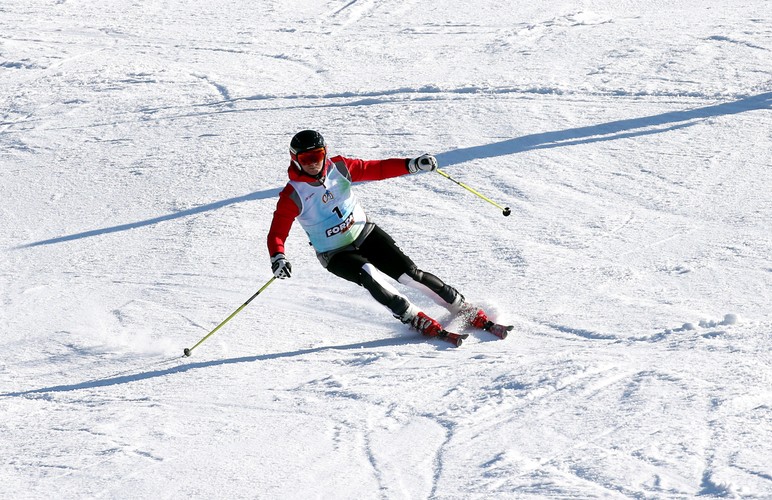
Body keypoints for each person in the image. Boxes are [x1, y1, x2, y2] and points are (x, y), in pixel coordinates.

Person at [266, 129, 494, 339]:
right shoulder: (292, 195)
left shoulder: (341, 168)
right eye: (306, 159)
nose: (314, 163)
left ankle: (460, 306)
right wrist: (278, 256)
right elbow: (277, 231)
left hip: (364, 233)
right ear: (295, 159)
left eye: (318, 155)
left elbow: (378, 169)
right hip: (334, 253)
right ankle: (412, 316)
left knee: (410, 274)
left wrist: (412, 164)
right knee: (368, 274)